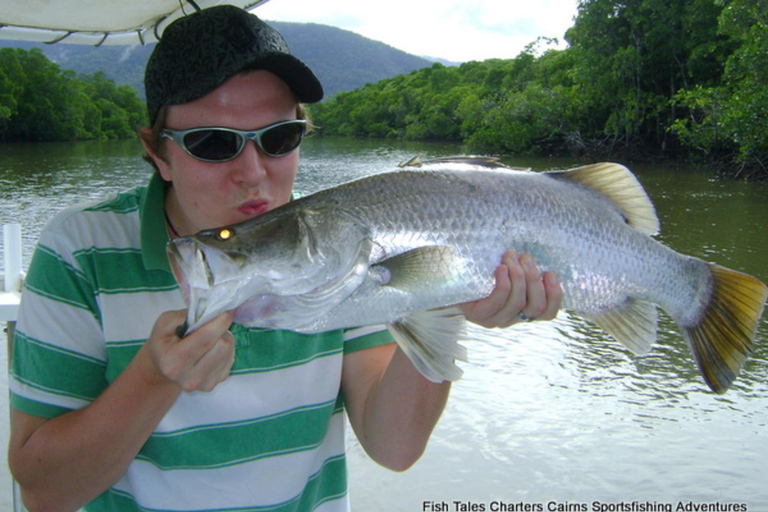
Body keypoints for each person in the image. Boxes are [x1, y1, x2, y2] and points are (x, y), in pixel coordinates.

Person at [7, 5, 563, 512]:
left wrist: (443, 300)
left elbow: (393, 446)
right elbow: (44, 492)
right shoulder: (78, 250)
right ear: (158, 153)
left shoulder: (337, 241)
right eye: (214, 143)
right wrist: (154, 379)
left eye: (279, 137)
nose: (253, 172)